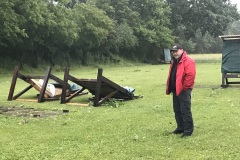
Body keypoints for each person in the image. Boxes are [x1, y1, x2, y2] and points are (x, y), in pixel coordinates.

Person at [166, 44, 196, 138]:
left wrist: (184, 87)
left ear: (182, 50)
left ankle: (188, 131)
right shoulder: (174, 61)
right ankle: (180, 127)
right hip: (175, 89)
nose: (175, 53)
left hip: (184, 89)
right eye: (173, 51)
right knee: (177, 110)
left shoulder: (188, 60)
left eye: (176, 51)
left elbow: (190, 75)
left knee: (185, 110)